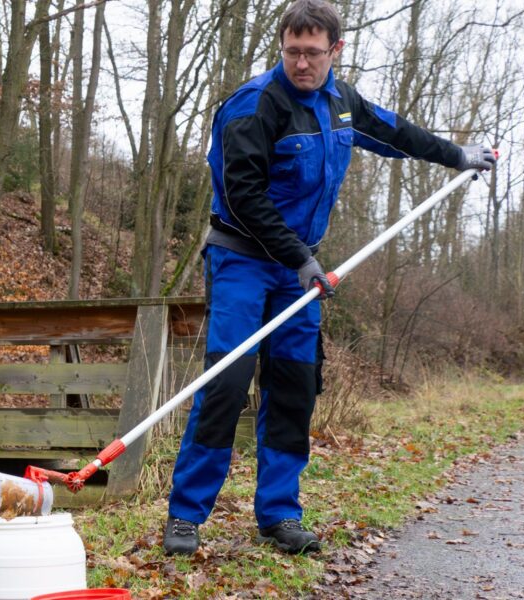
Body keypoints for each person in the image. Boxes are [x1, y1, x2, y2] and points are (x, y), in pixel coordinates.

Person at [163, 0, 496, 556]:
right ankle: (185, 516)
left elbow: (395, 132)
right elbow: (243, 197)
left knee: (294, 388)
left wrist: (456, 155)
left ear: (335, 52)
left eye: (313, 54)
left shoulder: (340, 102)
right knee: (225, 384)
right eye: (292, 52)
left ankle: (278, 514)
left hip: (300, 269)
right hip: (244, 261)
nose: (301, 64)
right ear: (282, 48)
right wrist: (298, 257)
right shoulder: (252, 108)